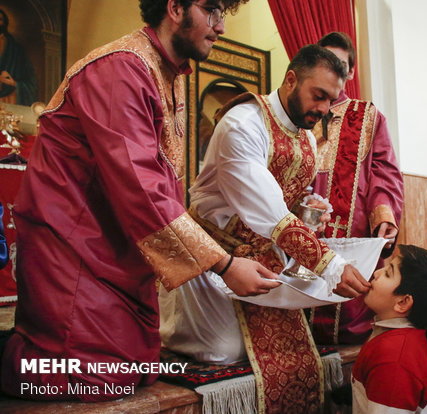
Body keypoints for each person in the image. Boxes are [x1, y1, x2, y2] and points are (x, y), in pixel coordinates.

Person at [0, 0, 283, 402]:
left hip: (118, 246)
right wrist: (223, 264)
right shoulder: (120, 68)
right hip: (73, 242)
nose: (220, 26)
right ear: (174, 7)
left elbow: (163, 185)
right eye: (211, 10)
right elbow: (140, 187)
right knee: (97, 376)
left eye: (223, 14)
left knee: (142, 367)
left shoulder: (170, 73)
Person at [160, 44, 369, 413]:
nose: (322, 109)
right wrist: (332, 265)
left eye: (330, 100)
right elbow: (269, 210)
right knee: (224, 352)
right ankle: (166, 325)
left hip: (264, 256)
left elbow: (285, 199)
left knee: (286, 353)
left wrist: (306, 208)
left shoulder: (305, 136)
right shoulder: (242, 123)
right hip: (214, 253)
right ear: (291, 80)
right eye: (317, 95)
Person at [310, 31, 404, 345]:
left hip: (351, 232)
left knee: (348, 322)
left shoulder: (368, 116)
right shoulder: (298, 113)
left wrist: (384, 217)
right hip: (301, 231)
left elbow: (384, 173)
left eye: (339, 64)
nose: (332, 69)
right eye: (324, 61)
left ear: (350, 71)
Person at [352, 245, 427, 414]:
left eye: (388, 273)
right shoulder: (401, 337)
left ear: (402, 302)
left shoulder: (393, 360)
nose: (377, 273)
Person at [0, 8, 37, 105]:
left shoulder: (16, 49)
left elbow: (30, 80)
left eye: (0, 20)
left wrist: (13, 83)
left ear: (4, 23)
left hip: (8, 99)